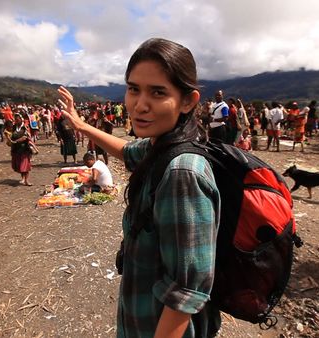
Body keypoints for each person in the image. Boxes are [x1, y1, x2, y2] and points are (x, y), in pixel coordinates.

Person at [58, 38, 220, 338]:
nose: (140, 105)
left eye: (158, 92)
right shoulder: (161, 146)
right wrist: (82, 126)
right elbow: (128, 150)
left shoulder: (182, 172)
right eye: (134, 89)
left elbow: (186, 291)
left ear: (188, 101)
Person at [9, 114, 33, 186]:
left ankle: (26, 180)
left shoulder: (25, 127)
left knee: (25, 165)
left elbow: (26, 137)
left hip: (25, 148)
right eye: (15, 120)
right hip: (16, 149)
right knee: (20, 165)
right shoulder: (14, 127)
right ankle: (23, 178)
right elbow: (11, 136)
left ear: (21, 119)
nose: (16, 121)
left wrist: (16, 141)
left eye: (18, 119)